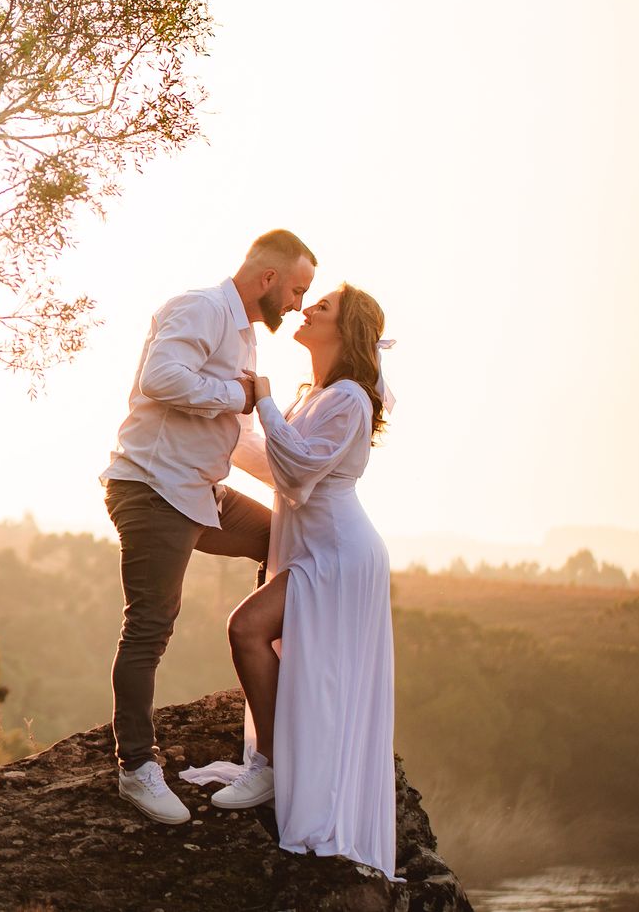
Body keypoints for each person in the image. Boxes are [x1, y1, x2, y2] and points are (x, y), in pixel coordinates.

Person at [181, 283, 398, 878]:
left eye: (320, 306)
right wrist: (226, 413)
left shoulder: (351, 398)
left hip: (338, 554)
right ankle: (282, 765)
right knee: (299, 661)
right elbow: (272, 462)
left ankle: (273, 765)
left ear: (346, 330)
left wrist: (268, 399)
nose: (305, 309)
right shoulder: (321, 396)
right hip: (314, 548)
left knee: (248, 628)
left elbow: (298, 475)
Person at [102, 229, 318, 824]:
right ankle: (137, 770)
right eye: (298, 289)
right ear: (268, 279)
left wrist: (302, 484)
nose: (300, 303)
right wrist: (237, 395)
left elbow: (237, 431)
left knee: (287, 539)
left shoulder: (245, 334)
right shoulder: (199, 307)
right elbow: (162, 379)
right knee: (150, 626)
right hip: (153, 488)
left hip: (201, 491)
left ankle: (266, 697)